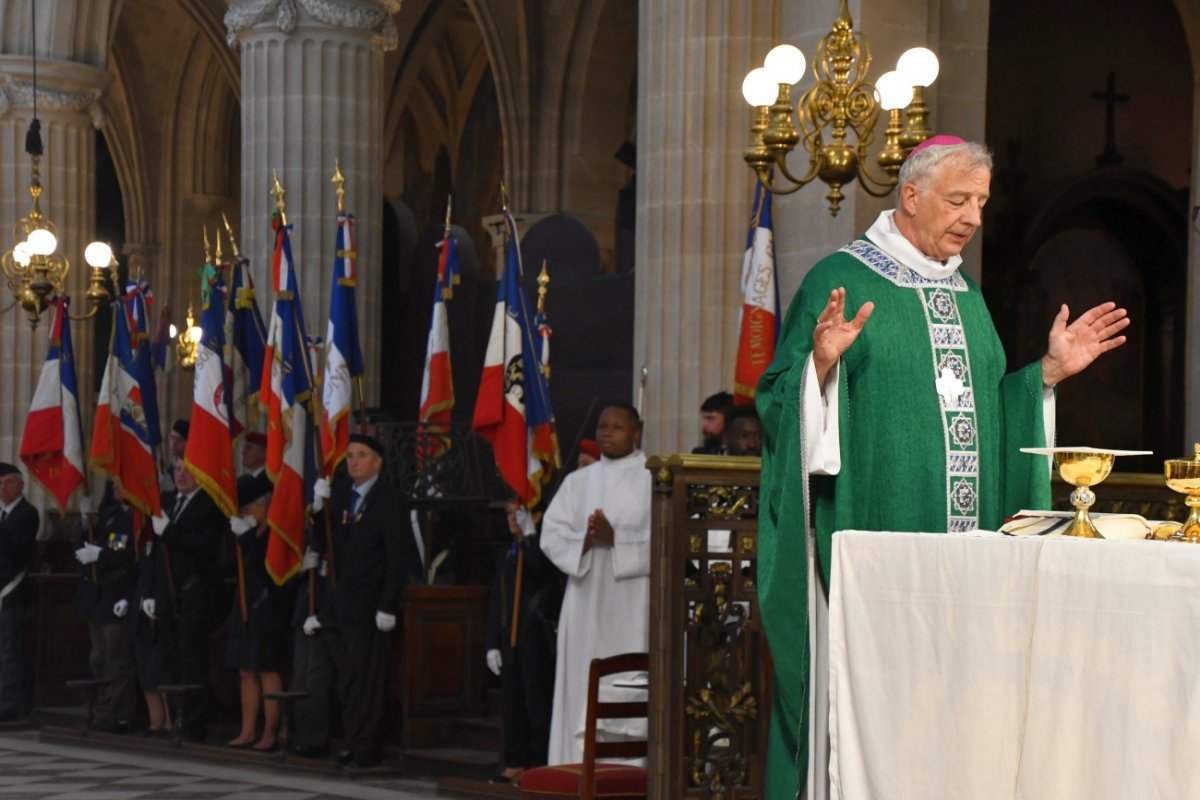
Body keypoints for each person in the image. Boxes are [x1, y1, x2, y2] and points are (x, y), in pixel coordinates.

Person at [755, 136, 1130, 798]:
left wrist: (1043, 374)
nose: (972, 218)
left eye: (981, 203)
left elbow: (985, 413)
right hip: (874, 550)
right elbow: (778, 401)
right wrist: (820, 366)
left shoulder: (966, 294)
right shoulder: (841, 281)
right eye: (958, 200)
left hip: (963, 566)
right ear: (911, 196)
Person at [540, 403, 651, 765]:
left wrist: (617, 540)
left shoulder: (654, 478)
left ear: (636, 432)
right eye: (602, 426)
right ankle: (573, 768)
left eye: (617, 427)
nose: (606, 432)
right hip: (585, 602)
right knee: (580, 681)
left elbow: (670, 541)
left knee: (627, 682)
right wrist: (585, 541)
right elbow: (551, 535)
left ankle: (627, 770)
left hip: (633, 604)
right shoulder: (578, 481)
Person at [309, 434, 420, 769]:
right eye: (350, 456)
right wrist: (318, 510)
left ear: (377, 462)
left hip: (371, 607)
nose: (353, 462)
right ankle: (352, 739)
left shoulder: (390, 499)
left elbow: (397, 555)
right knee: (348, 681)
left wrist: (388, 604)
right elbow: (325, 540)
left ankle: (366, 746)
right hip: (340, 604)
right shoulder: (342, 492)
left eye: (361, 455)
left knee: (368, 681)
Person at [148, 458, 229, 741]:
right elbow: (159, 556)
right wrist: (152, 593)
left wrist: (169, 531)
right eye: (178, 470)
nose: (181, 475)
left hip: (196, 593)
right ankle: (175, 718)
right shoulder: (170, 502)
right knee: (171, 659)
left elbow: (204, 545)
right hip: (168, 596)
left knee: (192, 661)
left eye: (188, 470)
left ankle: (194, 723)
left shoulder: (209, 503)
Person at [485, 501, 563, 783]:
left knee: (537, 703)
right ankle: (515, 760)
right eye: (508, 513)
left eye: (518, 513)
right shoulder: (507, 553)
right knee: (512, 703)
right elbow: (497, 599)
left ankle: (538, 762)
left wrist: (531, 538)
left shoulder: (541, 547)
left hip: (535, 639)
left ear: (535, 515)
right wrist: (491, 642)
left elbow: (541, 572)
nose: (512, 519)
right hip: (510, 638)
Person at [225, 473, 291, 750]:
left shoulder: (275, 533)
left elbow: (271, 570)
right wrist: (240, 537)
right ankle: (248, 729)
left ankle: (271, 731)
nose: (246, 512)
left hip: (269, 608)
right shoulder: (248, 532)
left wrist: (248, 537)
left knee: (267, 669)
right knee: (245, 671)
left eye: (250, 507)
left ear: (265, 505)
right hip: (244, 604)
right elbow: (228, 564)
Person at [72, 481, 137, 733]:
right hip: (98, 595)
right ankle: (104, 707)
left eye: (124, 484)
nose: (119, 489)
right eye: (116, 485)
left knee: (117, 657)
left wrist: (101, 555)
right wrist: (84, 521)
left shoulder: (132, 517)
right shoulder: (110, 515)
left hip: (118, 592)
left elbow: (124, 552)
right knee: (98, 656)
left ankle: (120, 713)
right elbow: (87, 543)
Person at [0, 463, 38, 722]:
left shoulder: (27, 513)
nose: (3, 488)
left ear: (21, 485)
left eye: (8, 483)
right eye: (0, 484)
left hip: (12, 592)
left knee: (10, 651)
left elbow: (16, 550)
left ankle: (11, 705)